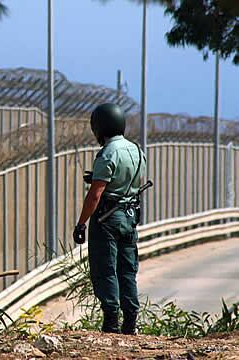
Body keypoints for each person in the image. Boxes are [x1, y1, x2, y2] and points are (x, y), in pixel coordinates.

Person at [72, 103, 146, 335]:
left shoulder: (107, 152)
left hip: (107, 218)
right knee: (127, 269)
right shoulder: (136, 150)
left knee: (106, 269)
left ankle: (111, 323)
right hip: (129, 216)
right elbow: (126, 182)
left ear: (100, 128)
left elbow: (96, 194)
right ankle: (131, 322)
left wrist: (81, 223)